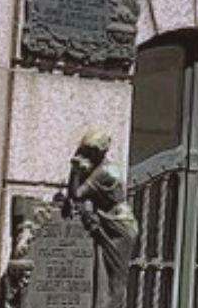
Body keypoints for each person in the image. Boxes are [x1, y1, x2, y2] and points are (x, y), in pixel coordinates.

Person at [60, 129, 139, 308]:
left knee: (114, 281)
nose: (88, 154)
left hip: (118, 226)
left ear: (100, 152)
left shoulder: (105, 172)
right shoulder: (102, 168)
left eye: (91, 151)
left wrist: (75, 171)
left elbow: (77, 194)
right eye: (87, 150)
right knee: (104, 276)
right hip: (111, 220)